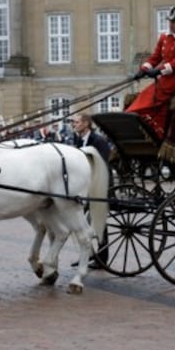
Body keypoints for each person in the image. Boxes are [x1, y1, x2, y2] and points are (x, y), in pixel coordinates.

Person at [126, 6, 175, 138]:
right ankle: (138, 114)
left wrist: (159, 71)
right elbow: (156, 56)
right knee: (152, 90)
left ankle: (146, 118)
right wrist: (144, 69)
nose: (170, 24)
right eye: (169, 21)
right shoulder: (164, 37)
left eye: (174, 22)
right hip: (170, 73)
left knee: (159, 92)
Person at [70, 112, 112, 269]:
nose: (73, 124)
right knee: (81, 223)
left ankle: (102, 259)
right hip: (84, 186)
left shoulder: (98, 140)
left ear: (86, 124)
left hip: (99, 184)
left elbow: (102, 164)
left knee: (99, 222)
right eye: (73, 122)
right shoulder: (78, 139)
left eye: (76, 122)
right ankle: (86, 255)